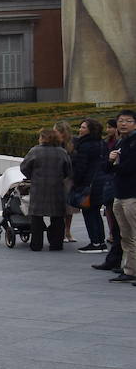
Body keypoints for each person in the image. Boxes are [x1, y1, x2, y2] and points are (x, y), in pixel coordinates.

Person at [20, 128, 71, 251]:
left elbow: (24, 167)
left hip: (39, 187)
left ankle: (36, 244)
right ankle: (56, 244)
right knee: (58, 217)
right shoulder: (62, 152)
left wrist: (32, 176)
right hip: (57, 188)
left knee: (36, 217)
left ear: (42, 138)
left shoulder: (35, 151)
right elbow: (68, 170)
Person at [107, 110, 136, 283]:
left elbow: (129, 168)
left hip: (132, 194)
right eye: (121, 121)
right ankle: (130, 269)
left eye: (128, 121)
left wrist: (115, 164)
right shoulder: (121, 142)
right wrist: (111, 160)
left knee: (134, 234)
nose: (123, 124)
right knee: (125, 234)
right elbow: (107, 168)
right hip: (120, 193)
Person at [72, 118, 109, 254]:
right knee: (95, 213)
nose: (80, 130)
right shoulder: (102, 143)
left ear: (90, 130)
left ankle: (95, 242)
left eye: (83, 127)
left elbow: (81, 167)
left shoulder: (85, 145)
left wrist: (76, 182)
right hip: (101, 182)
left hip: (89, 184)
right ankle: (100, 241)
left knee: (89, 213)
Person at [94, 118, 124, 271]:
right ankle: (115, 260)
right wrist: (110, 161)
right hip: (115, 188)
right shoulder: (114, 144)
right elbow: (106, 167)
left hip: (124, 191)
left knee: (126, 231)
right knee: (119, 229)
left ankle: (123, 263)